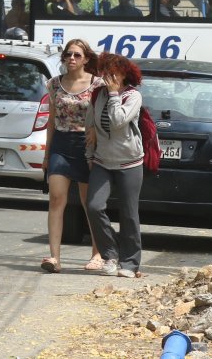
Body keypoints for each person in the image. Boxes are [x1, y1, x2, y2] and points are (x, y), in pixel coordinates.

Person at [40, 39, 104, 274]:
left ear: (86, 58)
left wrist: (97, 132)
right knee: (57, 199)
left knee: (90, 204)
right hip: (61, 144)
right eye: (68, 54)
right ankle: (54, 257)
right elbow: (50, 122)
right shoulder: (54, 84)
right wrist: (47, 155)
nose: (72, 59)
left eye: (77, 55)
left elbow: (103, 116)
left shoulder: (98, 85)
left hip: (87, 146)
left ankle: (97, 253)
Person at [84, 52, 146, 278]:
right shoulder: (97, 95)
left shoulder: (133, 96)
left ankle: (130, 263)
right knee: (94, 206)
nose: (108, 76)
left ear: (124, 74)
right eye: (105, 72)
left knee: (129, 214)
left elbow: (118, 121)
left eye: (113, 72)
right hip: (102, 161)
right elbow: (90, 127)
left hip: (130, 162)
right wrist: (90, 157)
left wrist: (113, 94)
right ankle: (110, 254)